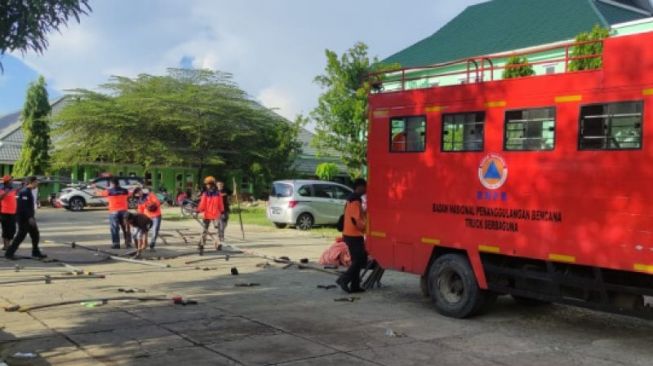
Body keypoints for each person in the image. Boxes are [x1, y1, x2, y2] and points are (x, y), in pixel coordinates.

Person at [336, 178, 368, 293]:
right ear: (359, 187)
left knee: (357, 260)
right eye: (365, 187)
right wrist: (366, 228)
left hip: (348, 233)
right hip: (353, 235)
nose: (366, 189)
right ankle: (344, 279)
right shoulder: (355, 200)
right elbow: (356, 219)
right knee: (359, 260)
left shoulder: (350, 199)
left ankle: (355, 285)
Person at [5, 177, 45, 260]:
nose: (37, 184)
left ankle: (35, 252)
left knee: (35, 234)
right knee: (20, 236)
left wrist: (31, 217)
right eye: (36, 182)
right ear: (32, 182)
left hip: (29, 217)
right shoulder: (25, 192)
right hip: (24, 218)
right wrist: (30, 218)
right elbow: (23, 207)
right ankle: (9, 253)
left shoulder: (29, 192)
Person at [97, 177, 131, 249]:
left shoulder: (109, 191)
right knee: (126, 228)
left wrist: (94, 188)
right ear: (118, 183)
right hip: (124, 211)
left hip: (113, 212)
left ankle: (116, 244)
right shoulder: (125, 191)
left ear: (112, 184)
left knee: (114, 228)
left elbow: (99, 193)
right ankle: (128, 243)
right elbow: (131, 194)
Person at [196, 176, 224, 251]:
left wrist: (198, 210)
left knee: (211, 230)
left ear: (211, 184)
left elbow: (220, 203)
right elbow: (202, 204)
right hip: (211, 214)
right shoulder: (209, 194)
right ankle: (203, 243)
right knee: (208, 230)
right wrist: (199, 210)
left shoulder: (215, 194)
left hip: (212, 214)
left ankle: (216, 244)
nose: (206, 186)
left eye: (207, 184)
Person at [0, 176, 17, 250]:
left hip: (13, 213)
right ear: (7, 182)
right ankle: (6, 246)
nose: (12, 182)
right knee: (6, 229)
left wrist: (24, 185)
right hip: (5, 213)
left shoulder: (12, 190)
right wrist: (7, 191)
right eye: (11, 180)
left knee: (12, 230)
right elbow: (1, 198)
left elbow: (18, 190)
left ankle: (8, 244)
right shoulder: (2, 190)